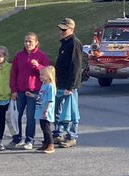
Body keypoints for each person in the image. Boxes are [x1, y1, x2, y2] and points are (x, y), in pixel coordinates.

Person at [9, 33, 50, 150]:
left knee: (30, 116)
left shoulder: (41, 56)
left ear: (36, 43)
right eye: (26, 41)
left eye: (30, 41)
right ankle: (17, 138)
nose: (27, 43)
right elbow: (13, 73)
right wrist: (14, 90)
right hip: (20, 91)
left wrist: (38, 66)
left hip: (34, 91)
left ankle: (29, 139)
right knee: (16, 115)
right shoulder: (19, 56)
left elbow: (48, 72)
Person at [53, 17, 83, 148]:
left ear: (71, 29)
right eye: (60, 29)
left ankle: (72, 136)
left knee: (71, 111)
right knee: (58, 111)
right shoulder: (64, 43)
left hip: (69, 85)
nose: (61, 32)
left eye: (64, 30)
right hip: (60, 83)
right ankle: (58, 133)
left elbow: (76, 66)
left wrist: (70, 86)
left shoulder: (74, 43)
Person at [34, 65, 57, 152]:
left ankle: (51, 144)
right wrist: (33, 95)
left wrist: (46, 110)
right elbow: (41, 97)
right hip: (40, 109)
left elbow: (50, 100)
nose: (40, 76)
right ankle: (45, 143)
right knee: (43, 127)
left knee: (46, 128)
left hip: (46, 110)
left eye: (42, 74)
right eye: (40, 74)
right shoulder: (44, 85)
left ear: (49, 76)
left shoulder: (50, 86)